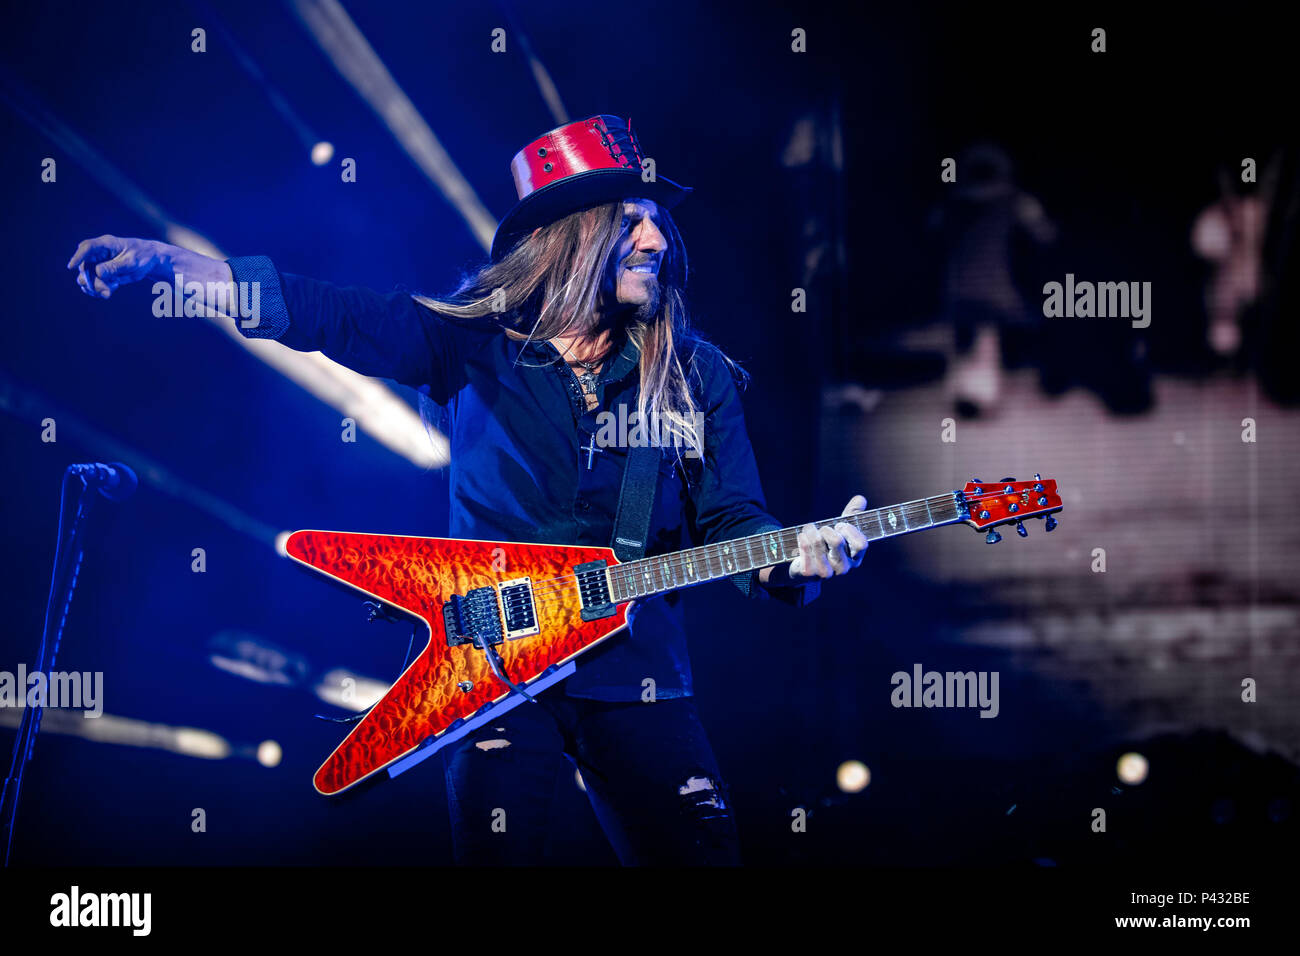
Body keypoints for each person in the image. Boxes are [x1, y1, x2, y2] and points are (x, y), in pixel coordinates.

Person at [66, 114, 869, 865]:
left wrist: (796, 559)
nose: (657, 238)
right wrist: (175, 265)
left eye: (658, 221)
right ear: (571, 237)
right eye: (630, 221)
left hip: (639, 674)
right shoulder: (470, 343)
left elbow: (733, 521)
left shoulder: (695, 374)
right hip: (492, 676)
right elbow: (328, 316)